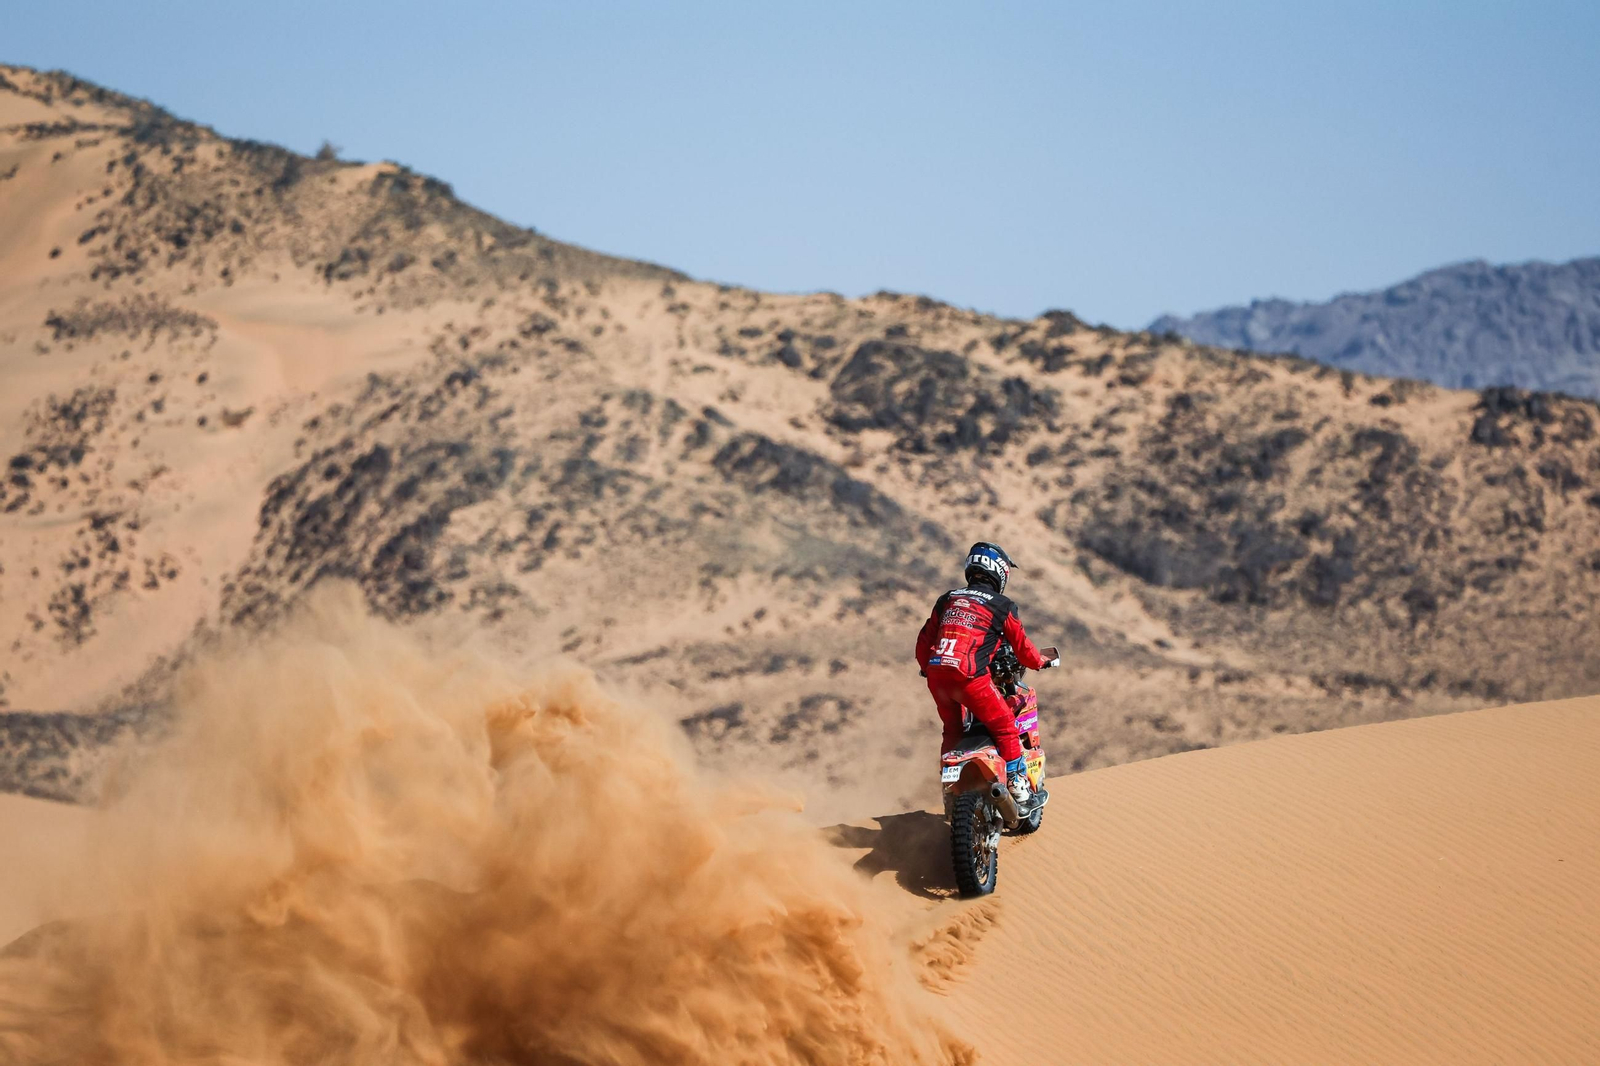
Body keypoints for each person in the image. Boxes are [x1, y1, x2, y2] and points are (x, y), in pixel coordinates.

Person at [916, 542, 1058, 810]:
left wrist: (926, 667)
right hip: (970, 679)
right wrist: (1040, 661)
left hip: (937, 676)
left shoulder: (948, 598)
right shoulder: (1002, 605)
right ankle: (1018, 789)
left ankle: (950, 791)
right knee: (1005, 727)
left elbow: (924, 641)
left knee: (953, 730)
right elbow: (1023, 649)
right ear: (1000, 571)